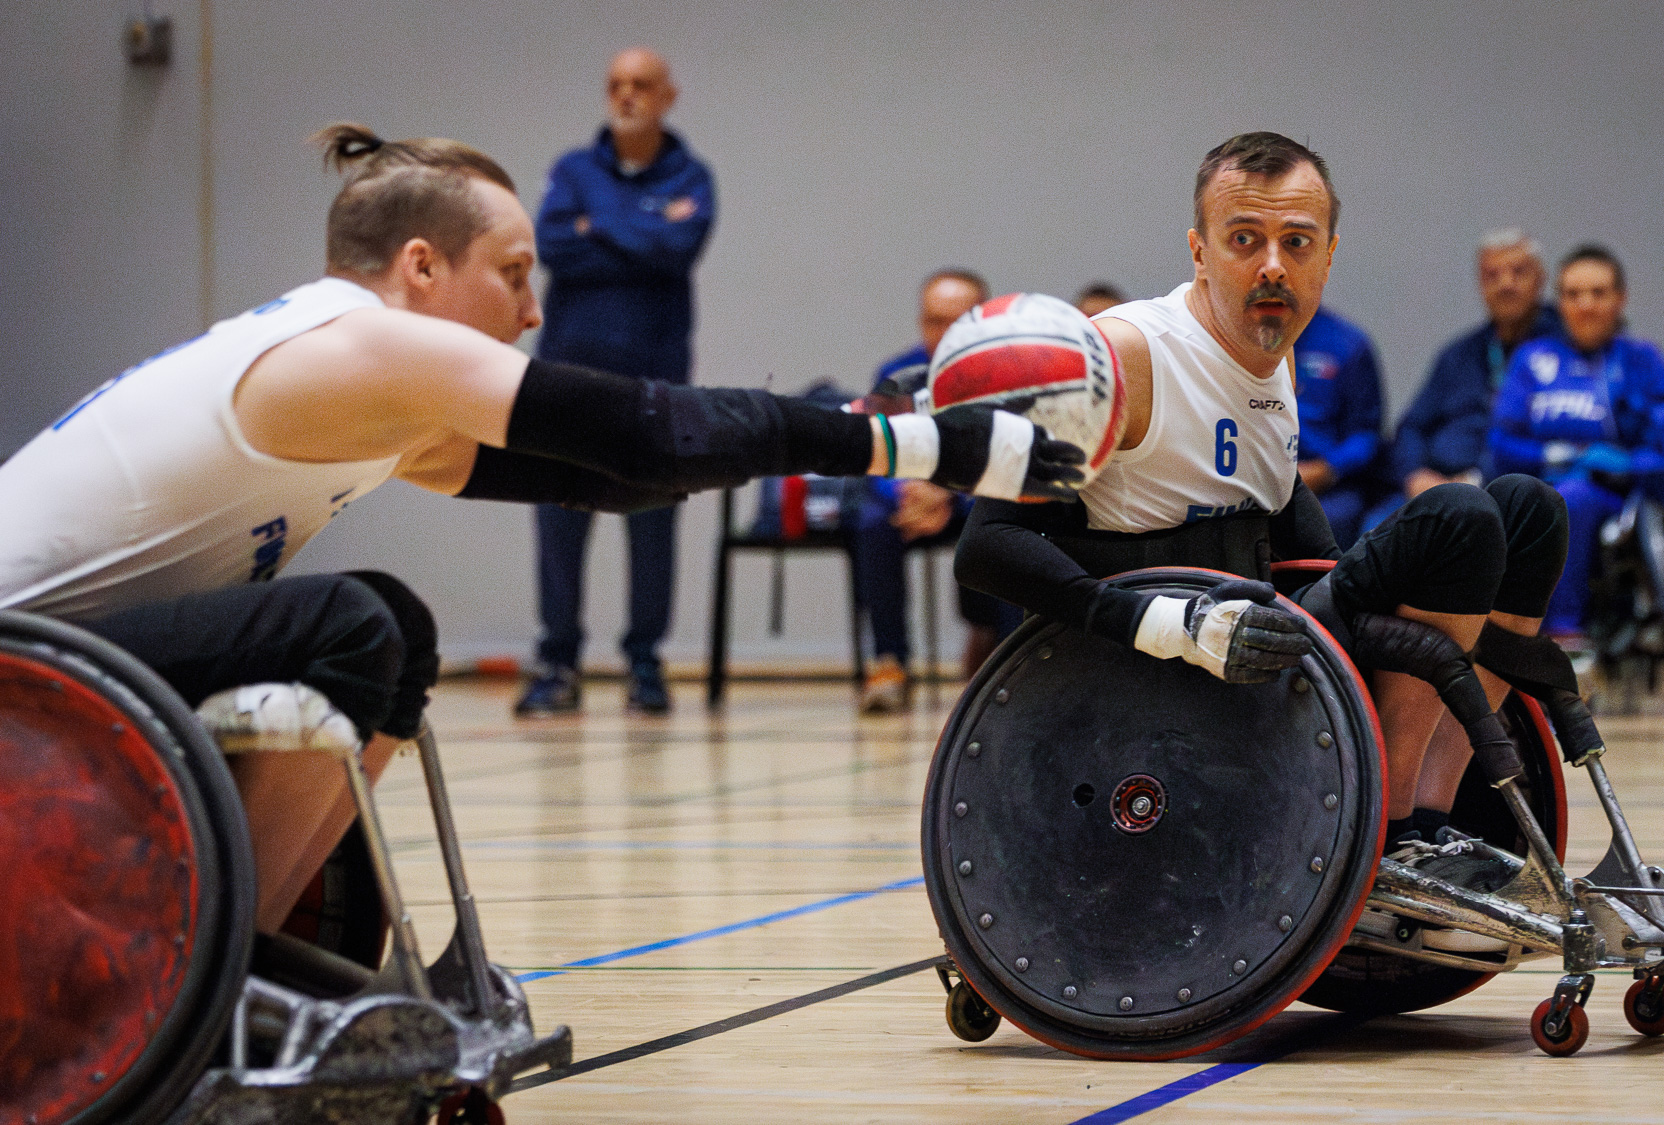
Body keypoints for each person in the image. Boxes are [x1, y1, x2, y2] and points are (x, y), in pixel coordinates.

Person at [0, 124, 1081, 939]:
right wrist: (934, 448)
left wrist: (824, 435)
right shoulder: (358, 345)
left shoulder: (364, 385)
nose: (530, 312)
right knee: (351, 620)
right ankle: (214, 963)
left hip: (66, 660)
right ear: (420, 267)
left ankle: (253, 948)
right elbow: (646, 429)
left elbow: (609, 476)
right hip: (22, 662)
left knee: (391, 631)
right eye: (513, 274)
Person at [957, 132, 1579, 897]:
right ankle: (1385, 829)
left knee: (1529, 509)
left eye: (1296, 242)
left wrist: (1366, 589)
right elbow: (986, 547)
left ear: (1327, 255)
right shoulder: (1120, 359)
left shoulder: (1271, 348)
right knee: (1457, 518)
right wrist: (1142, 619)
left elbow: (1283, 511)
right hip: (1154, 679)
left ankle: (1430, 817)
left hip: (1263, 638)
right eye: (1245, 240)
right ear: (1199, 251)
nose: (1273, 264)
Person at [517, 48, 715, 717]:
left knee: (653, 520)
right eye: (615, 85)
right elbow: (552, 246)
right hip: (567, 378)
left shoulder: (692, 175)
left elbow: (678, 251)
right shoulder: (572, 170)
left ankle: (644, 663)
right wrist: (643, 230)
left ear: (668, 96)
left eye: (640, 85)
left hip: (654, 387)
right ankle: (557, 659)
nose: (626, 95)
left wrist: (598, 224)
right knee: (559, 520)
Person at [1489, 244, 1664, 641]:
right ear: (1559, 301)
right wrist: (1554, 456)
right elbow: (1501, 443)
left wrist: (1617, 464)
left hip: (1614, 502)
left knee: (1573, 498)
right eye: (1573, 294)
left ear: (1620, 299)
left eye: (1598, 293)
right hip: (1536, 493)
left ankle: (1564, 634)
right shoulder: (1532, 360)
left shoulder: (1644, 363)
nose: (1586, 305)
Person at [850, 269, 1026, 711]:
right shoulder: (896, 374)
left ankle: (1013, 664)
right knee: (872, 523)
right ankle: (889, 664)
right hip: (914, 504)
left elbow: (1014, 458)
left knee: (1009, 519)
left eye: (958, 320)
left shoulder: (1014, 373)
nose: (944, 333)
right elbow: (879, 451)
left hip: (978, 500)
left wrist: (950, 494)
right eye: (934, 321)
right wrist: (906, 497)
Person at [1378, 229, 1560, 526]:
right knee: (1375, 531)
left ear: (1541, 280)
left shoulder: (1564, 351)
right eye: (1492, 275)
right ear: (1479, 285)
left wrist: (1477, 480)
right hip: (1435, 485)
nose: (1505, 284)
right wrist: (1414, 475)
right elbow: (1411, 426)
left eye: (1518, 272)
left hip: (1510, 490)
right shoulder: (1459, 354)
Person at [1293, 306, 1387, 546]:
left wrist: (1325, 469)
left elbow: (1366, 435)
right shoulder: (1238, 339)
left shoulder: (1348, 343)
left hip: (1327, 487)